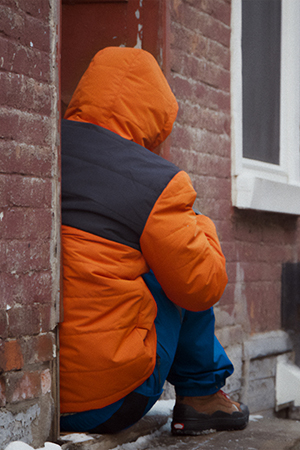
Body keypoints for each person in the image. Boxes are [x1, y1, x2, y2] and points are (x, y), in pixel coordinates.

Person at [59, 46, 249, 435]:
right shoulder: (155, 181)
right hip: (108, 403)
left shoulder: (38, 146)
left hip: (36, 391)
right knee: (181, 268)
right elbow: (203, 287)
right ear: (156, 111)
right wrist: (198, 223)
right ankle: (201, 393)